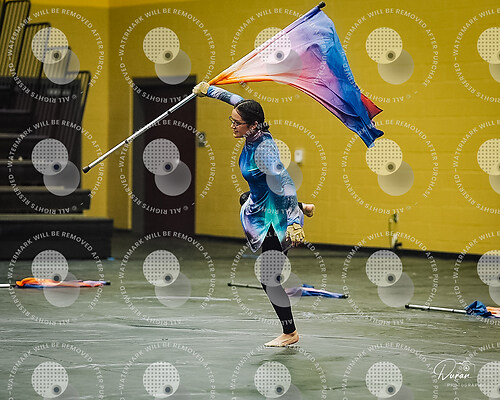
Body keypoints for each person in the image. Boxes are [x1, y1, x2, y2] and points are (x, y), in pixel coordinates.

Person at [193, 81, 313, 346]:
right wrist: (207, 90)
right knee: (244, 197)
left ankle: (290, 333)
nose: (232, 126)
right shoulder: (253, 132)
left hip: (275, 218)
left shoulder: (264, 152)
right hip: (259, 205)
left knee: (269, 278)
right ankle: (302, 206)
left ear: (254, 125)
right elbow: (235, 99)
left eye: (237, 123)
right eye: (232, 121)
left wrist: (294, 222)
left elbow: (286, 184)